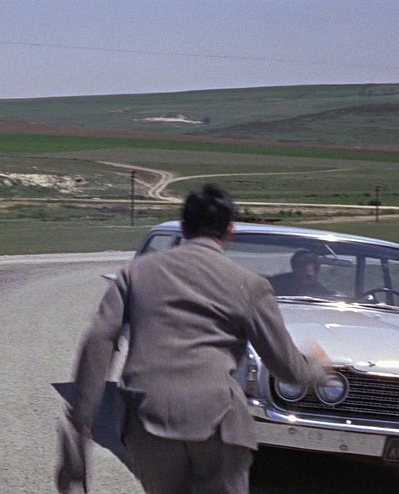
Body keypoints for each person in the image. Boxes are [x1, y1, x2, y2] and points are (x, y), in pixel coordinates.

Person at [56, 184, 331, 493]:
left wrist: (82, 419)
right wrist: (318, 370)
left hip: (147, 419)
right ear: (229, 231)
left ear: (184, 227)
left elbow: (99, 339)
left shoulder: (136, 273)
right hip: (218, 422)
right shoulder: (250, 285)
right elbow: (285, 367)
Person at [269, 250, 334, 297]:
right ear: (295, 268)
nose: (311, 275)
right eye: (304, 270)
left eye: (315, 270)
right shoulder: (276, 284)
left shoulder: (322, 293)